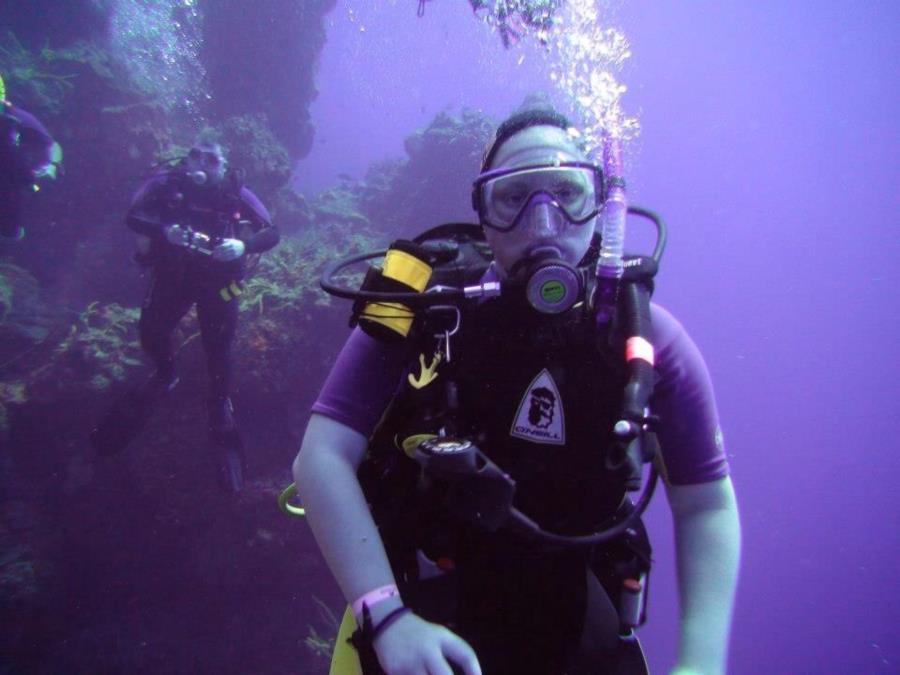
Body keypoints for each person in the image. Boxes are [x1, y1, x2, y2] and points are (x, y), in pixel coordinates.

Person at [293, 109, 740, 674]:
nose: (544, 224)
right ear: (483, 215)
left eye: (566, 193)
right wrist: (384, 616)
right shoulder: (421, 309)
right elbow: (320, 455)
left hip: (572, 610)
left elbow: (706, 503)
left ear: (602, 206)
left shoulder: (647, 342)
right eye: (514, 199)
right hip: (417, 602)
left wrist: (701, 662)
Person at [121, 141, 278, 488]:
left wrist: (243, 246)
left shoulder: (236, 193)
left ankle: (220, 404)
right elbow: (132, 216)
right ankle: (166, 373)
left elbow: (272, 231)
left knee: (217, 349)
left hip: (219, 284)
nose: (201, 165)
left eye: (211, 160)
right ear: (185, 158)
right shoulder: (167, 184)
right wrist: (165, 231)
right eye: (195, 156)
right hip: (172, 278)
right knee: (150, 331)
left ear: (223, 166)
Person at [0, 73, 63, 240]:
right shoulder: (13, 120)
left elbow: (50, 146)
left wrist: (48, 168)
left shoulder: (14, 120)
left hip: (21, 181)